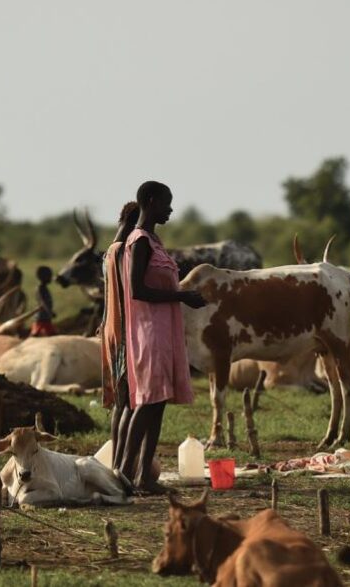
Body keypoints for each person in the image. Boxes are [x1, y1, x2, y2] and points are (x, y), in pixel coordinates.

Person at [118, 181, 206, 494]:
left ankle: (143, 477)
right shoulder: (139, 241)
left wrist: (181, 296)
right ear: (151, 201)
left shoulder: (154, 240)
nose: (170, 209)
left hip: (164, 330)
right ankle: (123, 476)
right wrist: (181, 297)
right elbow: (137, 290)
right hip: (149, 331)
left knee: (158, 404)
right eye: (166, 203)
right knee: (145, 403)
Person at [101, 202, 141, 472]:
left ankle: (117, 460)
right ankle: (121, 465)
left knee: (120, 401)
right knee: (128, 401)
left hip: (111, 330)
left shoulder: (109, 251)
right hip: (125, 331)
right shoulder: (123, 252)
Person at [30, 266, 57, 337]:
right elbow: (43, 302)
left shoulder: (43, 288)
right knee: (35, 334)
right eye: (49, 276)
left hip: (45, 317)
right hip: (41, 317)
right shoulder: (40, 288)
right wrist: (50, 312)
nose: (51, 278)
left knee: (51, 333)